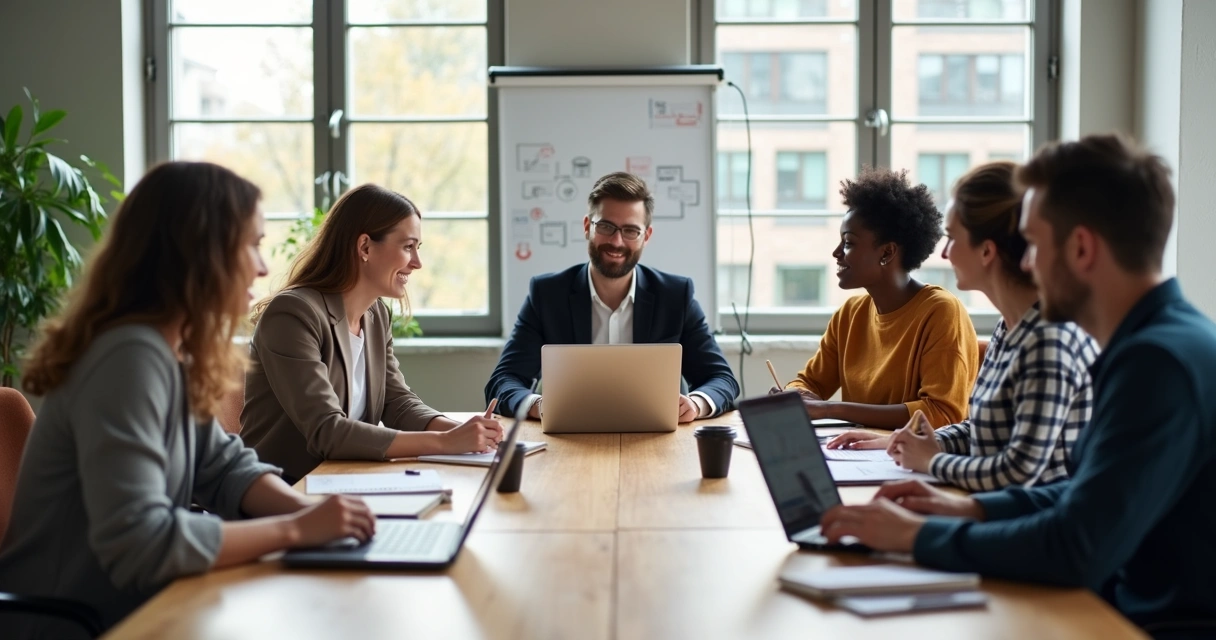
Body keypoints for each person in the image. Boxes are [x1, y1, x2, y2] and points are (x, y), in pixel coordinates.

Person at [820, 135, 1216, 634]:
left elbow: (1077, 546)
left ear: (1080, 248)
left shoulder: (1156, 363)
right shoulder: (1157, 341)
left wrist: (918, 537)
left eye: (1032, 244)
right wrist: (970, 508)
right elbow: (1080, 495)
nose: (1024, 262)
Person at [0, 162, 375, 639]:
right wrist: (297, 532)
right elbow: (141, 540)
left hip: (137, 605)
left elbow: (223, 466)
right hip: (76, 623)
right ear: (201, 252)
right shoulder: (127, 359)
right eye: (253, 244)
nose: (263, 266)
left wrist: (306, 513)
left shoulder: (165, 353)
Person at [826, 162, 1099, 491]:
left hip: (1027, 524)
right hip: (991, 508)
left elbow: (1019, 472)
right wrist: (902, 441)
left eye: (953, 238)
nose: (944, 253)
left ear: (986, 250)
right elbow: (979, 430)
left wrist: (931, 460)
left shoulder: (1049, 340)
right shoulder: (1010, 328)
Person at [241, 184, 503, 483]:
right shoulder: (292, 314)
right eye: (408, 247)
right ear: (365, 247)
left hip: (347, 479)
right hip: (287, 490)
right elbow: (328, 431)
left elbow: (396, 403)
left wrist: (459, 430)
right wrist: (446, 443)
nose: (417, 263)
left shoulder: (376, 314)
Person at [485, 172, 739, 422]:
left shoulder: (675, 296)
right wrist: (538, 405)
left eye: (630, 230)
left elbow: (721, 380)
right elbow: (503, 381)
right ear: (587, 227)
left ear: (646, 237)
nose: (616, 241)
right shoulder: (547, 294)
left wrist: (695, 404)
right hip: (568, 437)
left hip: (658, 440)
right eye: (606, 226)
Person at [774, 167, 979, 429]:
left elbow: (941, 413)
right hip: (858, 457)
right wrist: (793, 395)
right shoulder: (850, 314)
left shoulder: (940, 311)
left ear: (887, 252)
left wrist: (830, 409)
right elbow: (810, 383)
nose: (836, 252)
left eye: (848, 242)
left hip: (909, 463)